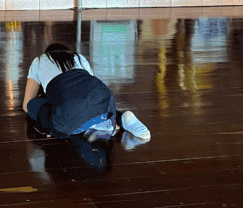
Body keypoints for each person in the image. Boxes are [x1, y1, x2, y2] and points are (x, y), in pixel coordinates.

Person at [22, 42, 150, 142]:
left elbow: (26, 104)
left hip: (71, 114)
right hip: (105, 98)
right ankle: (119, 118)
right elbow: (88, 94)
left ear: (48, 53)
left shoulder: (39, 61)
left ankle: (92, 124)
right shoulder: (79, 57)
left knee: (33, 105)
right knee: (89, 104)